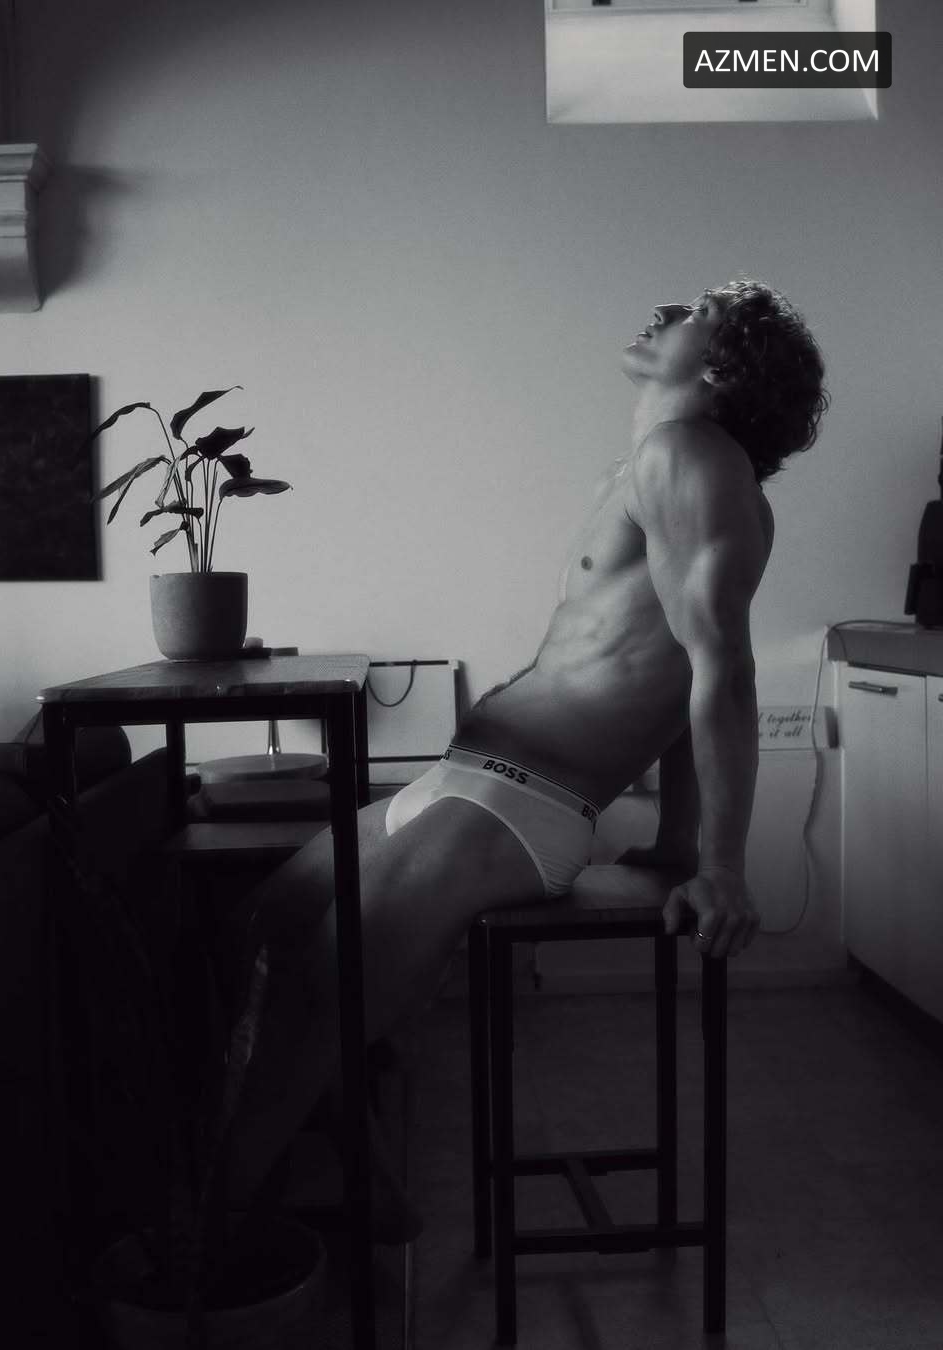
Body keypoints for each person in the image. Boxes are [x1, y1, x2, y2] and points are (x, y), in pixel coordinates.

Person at [223, 277, 829, 1237]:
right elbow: (677, 669)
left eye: (698, 312)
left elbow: (723, 668)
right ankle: (351, 1166)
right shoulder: (652, 466)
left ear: (723, 367)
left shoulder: (690, 457)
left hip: (520, 803)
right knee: (266, 925)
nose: (667, 309)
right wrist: (675, 842)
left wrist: (718, 865)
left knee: (312, 998)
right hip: (468, 781)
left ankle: (195, 1252)